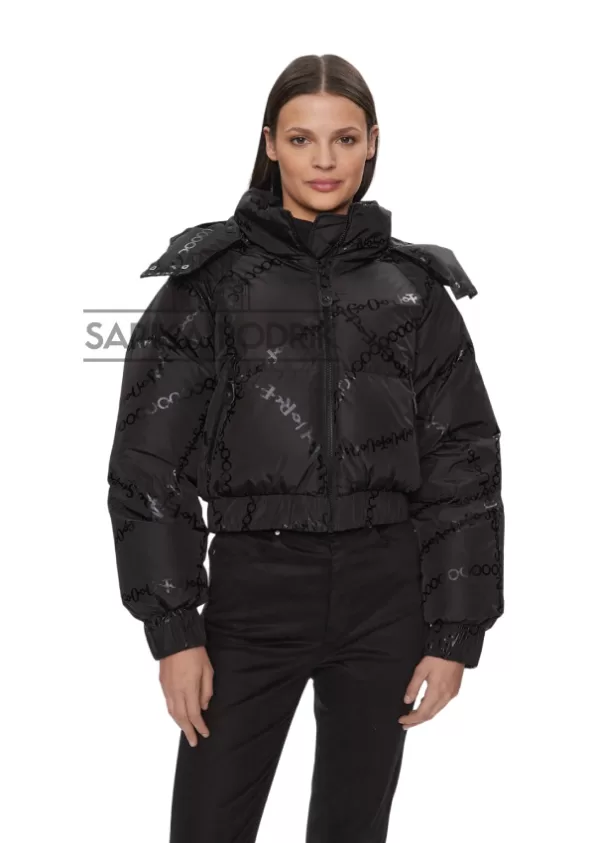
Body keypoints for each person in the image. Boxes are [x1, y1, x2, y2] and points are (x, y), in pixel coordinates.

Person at [107, 53, 504, 843]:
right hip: (255, 590)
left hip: (384, 594)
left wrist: (455, 631)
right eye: (300, 139)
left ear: (371, 143)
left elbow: (462, 460)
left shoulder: (412, 289)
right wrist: (174, 629)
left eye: (343, 139)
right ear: (270, 144)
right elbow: (150, 464)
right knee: (208, 825)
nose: (324, 160)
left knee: (352, 828)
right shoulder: (209, 284)